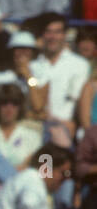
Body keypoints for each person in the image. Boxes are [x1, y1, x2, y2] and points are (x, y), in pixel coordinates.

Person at [29, 13, 90, 148]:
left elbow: (78, 101)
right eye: (48, 32)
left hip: (65, 129)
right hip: (36, 127)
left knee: (52, 165)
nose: (53, 37)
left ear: (64, 35)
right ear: (42, 35)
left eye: (57, 32)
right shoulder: (32, 66)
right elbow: (31, 88)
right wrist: (30, 78)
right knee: (44, 166)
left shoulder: (79, 64)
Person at [0, 83, 43, 170]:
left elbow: (42, 172)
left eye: (14, 103)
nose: (9, 108)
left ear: (20, 107)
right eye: (4, 103)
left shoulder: (33, 136)